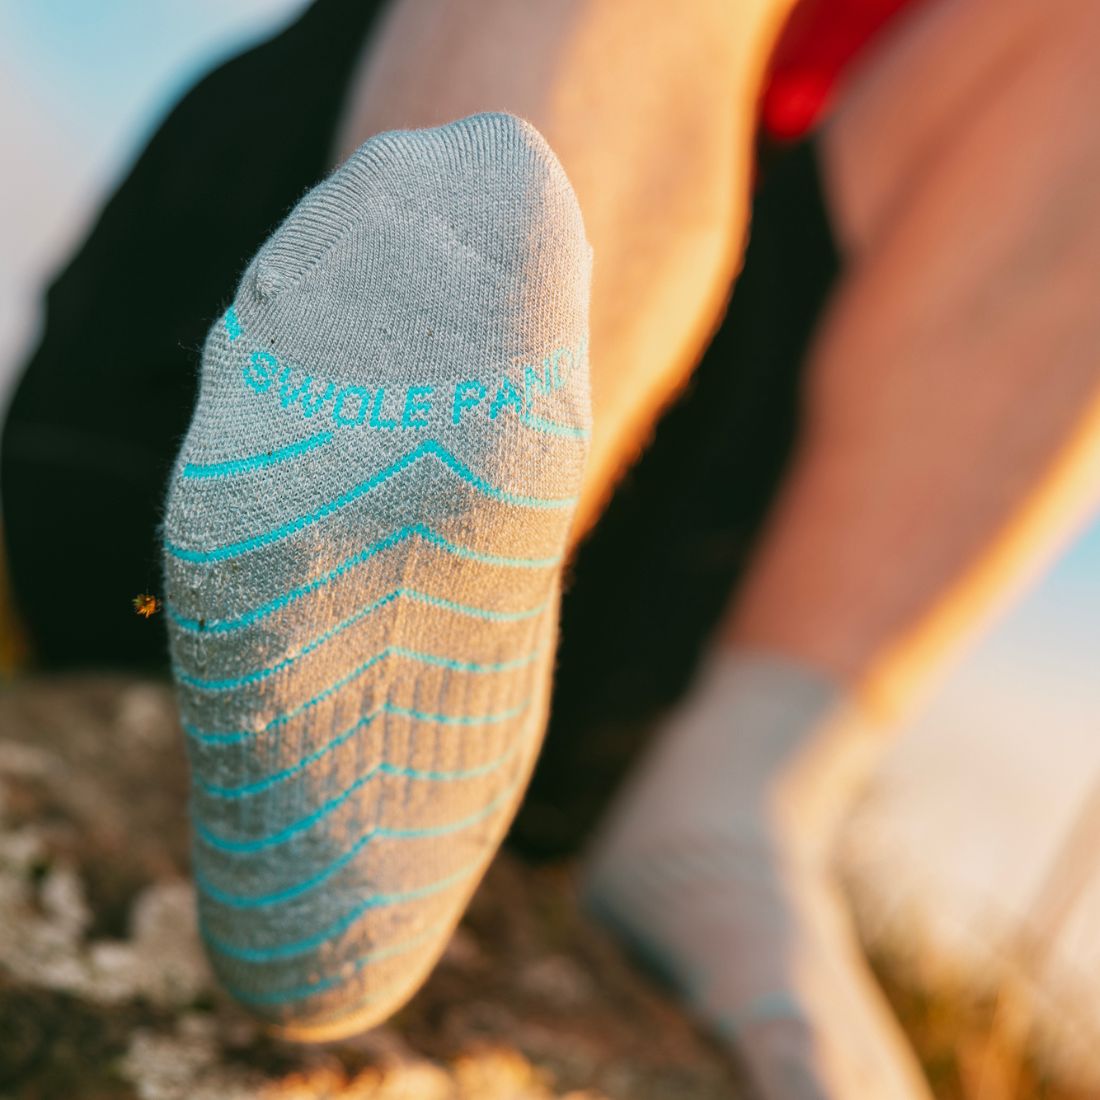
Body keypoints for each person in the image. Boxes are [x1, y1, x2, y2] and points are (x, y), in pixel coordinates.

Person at [3, 0, 1099, 1096]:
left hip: (675, 602)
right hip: (290, 266)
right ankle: (407, 540)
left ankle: (734, 779)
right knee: (495, 173)